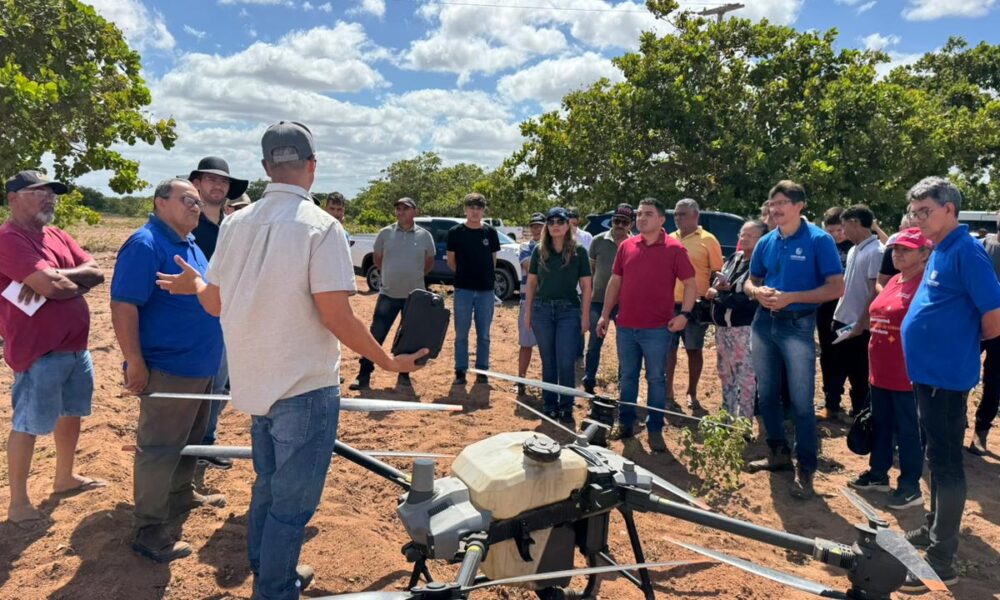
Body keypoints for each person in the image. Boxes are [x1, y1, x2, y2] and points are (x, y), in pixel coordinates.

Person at [156, 121, 427, 599]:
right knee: (292, 505)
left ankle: (268, 570)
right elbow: (336, 315)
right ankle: (275, 587)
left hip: (255, 385)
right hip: (304, 387)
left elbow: (214, 303)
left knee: (267, 488)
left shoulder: (237, 223)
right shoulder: (322, 227)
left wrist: (194, 285)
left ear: (265, 168)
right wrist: (388, 362)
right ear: (312, 167)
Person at [110, 178, 226, 562]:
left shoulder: (189, 243)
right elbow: (124, 305)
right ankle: (149, 528)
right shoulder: (145, 244)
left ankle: (180, 495)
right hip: (168, 367)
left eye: (197, 201)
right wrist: (136, 361)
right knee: (159, 448)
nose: (196, 206)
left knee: (190, 438)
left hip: (201, 366)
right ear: (161, 203)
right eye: (187, 199)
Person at [899, 176, 1000, 592]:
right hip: (927, 374)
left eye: (926, 211)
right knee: (933, 455)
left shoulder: (967, 252)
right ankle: (931, 526)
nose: (919, 219)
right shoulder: (940, 249)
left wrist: (959, 350)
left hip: (946, 377)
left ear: (949, 210)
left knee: (946, 464)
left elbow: (993, 316)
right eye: (915, 212)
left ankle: (942, 558)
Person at [1, 170, 107, 527]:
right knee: (28, 423)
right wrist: (58, 281)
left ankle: (64, 477)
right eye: (38, 191)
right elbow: (53, 287)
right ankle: (18, 503)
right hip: (38, 351)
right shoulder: (9, 239)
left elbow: (96, 272)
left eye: (51, 192)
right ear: (13, 198)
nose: (49, 197)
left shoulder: (57, 235)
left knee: (71, 413)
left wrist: (62, 277)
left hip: (75, 347)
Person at [744, 180, 844, 500]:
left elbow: (836, 288)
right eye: (772, 204)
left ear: (800, 205)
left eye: (782, 203)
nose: (775, 209)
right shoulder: (766, 241)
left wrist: (792, 298)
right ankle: (778, 455)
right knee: (768, 396)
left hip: (798, 326)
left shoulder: (819, 240)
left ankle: (807, 467)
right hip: (763, 324)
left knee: (802, 403)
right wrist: (757, 292)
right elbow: (750, 281)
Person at [597, 198, 696, 453]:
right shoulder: (626, 246)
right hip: (626, 327)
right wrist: (605, 314)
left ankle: (654, 430)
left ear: (661, 220)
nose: (641, 218)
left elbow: (691, 284)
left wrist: (685, 314)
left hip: (657, 329)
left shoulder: (675, 249)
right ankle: (627, 424)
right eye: (639, 214)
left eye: (648, 214)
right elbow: (615, 282)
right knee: (627, 377)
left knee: (656, 378)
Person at [848, 228, 930, 511]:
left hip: (906, 374)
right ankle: (877, 474)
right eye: (895, 248)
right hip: (880, 371)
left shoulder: (926, 285)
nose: (897, 253)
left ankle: (910, 487)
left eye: (906, 249)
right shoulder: (895, 279)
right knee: (880, 424)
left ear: (924, 253)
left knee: (908, 432)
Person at [188, 157, 248, 469]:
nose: (218, 185)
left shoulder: (232, 228)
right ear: (196, 183)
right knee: (194, 385)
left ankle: (205, 444)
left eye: (223, 181)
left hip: (226, 319)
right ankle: (189, 446)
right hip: (192, 320)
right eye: (211, 179)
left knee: (220, 386)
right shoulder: (185, 225)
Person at [349, 197, 435, 390]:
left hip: (415, 298)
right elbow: (378, 260)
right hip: (388, 294)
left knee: (409, 338)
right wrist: (392, 275)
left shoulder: (425, 236)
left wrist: (413, 276)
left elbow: (428, 263)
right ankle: (363, 375)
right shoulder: (385, 233)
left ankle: (404, 374)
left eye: (405, 208)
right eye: (398, 208)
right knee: (375, 335)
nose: (401, 212)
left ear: (415, 211)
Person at [524, 207, 592, 422]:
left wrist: (585, 316)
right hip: (541, 311)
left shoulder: (579, 251)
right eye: (551, 221)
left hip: (568, 310)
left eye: (560, 221)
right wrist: (528, 313)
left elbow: (586, 286)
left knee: (566, 361)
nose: (555, 225)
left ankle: (566, 406)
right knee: (548, 361)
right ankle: (549, 404)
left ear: (567, 225)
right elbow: (532, 283)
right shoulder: (539, 250)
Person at [705, 220, 766, 420]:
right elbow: (721, 284)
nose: (744, 238)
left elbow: (749, 300)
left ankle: (744, 422)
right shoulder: (735, 257)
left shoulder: (763, 265)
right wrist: (719, 287)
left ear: (762, 239)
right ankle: (727, 416)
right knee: (725, 373)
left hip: (744, 328)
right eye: (742, 234)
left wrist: (721, 295)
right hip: (723, 327)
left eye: (750, 235)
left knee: (746, 376)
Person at [666, 199, 723, 410]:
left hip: (695, 308)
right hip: (669, 305)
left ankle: (692, 392)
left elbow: (718, 272)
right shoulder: (668, 239)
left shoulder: (709, 240)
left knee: (694, 350)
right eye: (676, 215)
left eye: (682, 214)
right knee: (667, 351)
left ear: (695, 216)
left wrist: (712, 294)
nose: (678, 218)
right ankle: (668, 393)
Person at [830, 204, 883, 418]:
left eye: (844, 226)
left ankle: (862, 416)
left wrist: (861, 324)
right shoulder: (854, 249)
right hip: (842, 318)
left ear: (855, 222)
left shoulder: (876, 251)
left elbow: (874, 291)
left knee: (859, 372)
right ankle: (836, 406)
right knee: (837, 367)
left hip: (858, 325)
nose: (843, 231)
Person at [447, 193, 501, 385]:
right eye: (471, 207)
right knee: (461, 333)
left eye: (479, 207)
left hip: (486, 291)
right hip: (463, 290)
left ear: (483, 210)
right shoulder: (455, 232)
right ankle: (460, 370)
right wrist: (465, 275)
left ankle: (482, 370)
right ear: (465, 209)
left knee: (484, 334)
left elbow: (493, 260)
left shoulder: (490, 233)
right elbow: (451, 261)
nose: (475, 211)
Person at [583, 203, 633, 394]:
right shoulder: (597, 241)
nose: (619, 224)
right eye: (616, 220)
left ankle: (623, 384)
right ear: (612, 221)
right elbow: (591, 272)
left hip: (625, 303)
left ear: (631, 224)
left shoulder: (635, 244)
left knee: (625, 345)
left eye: (624, 222)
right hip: (598, 300)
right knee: (595, 343)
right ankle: (589, 380)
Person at [816, 207, 854, 422]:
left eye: (839, 230)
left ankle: (855, 403)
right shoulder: (822, 246)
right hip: (825, 309)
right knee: (828, 354)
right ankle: (831, 402)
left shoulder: (854, 246)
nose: (836, 235)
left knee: (848, 354)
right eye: (831, 230)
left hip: (849, 310)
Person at [969, 209, 1000, 455]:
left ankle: (981, 432)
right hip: (972, 323)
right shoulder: (980, 246)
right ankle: (955, 422)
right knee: (960, 372)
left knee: (994, 380)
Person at [515, 212, 545, 396]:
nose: (536, 229)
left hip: (547, 303)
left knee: (547, 347)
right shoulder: (526, 247)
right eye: (533, 226)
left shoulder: (552, 247)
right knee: (525, 344)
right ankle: (521, 381)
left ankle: (547, 384)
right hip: (528, 302)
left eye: (540, 226)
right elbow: (529, 266)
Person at [877, 214, 916, 290]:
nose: (911, 233)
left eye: (916, 229)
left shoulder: (930, 250)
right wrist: (889, 298)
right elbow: (880, 283)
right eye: (908, 229)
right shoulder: (891, 251)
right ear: (900, 229)